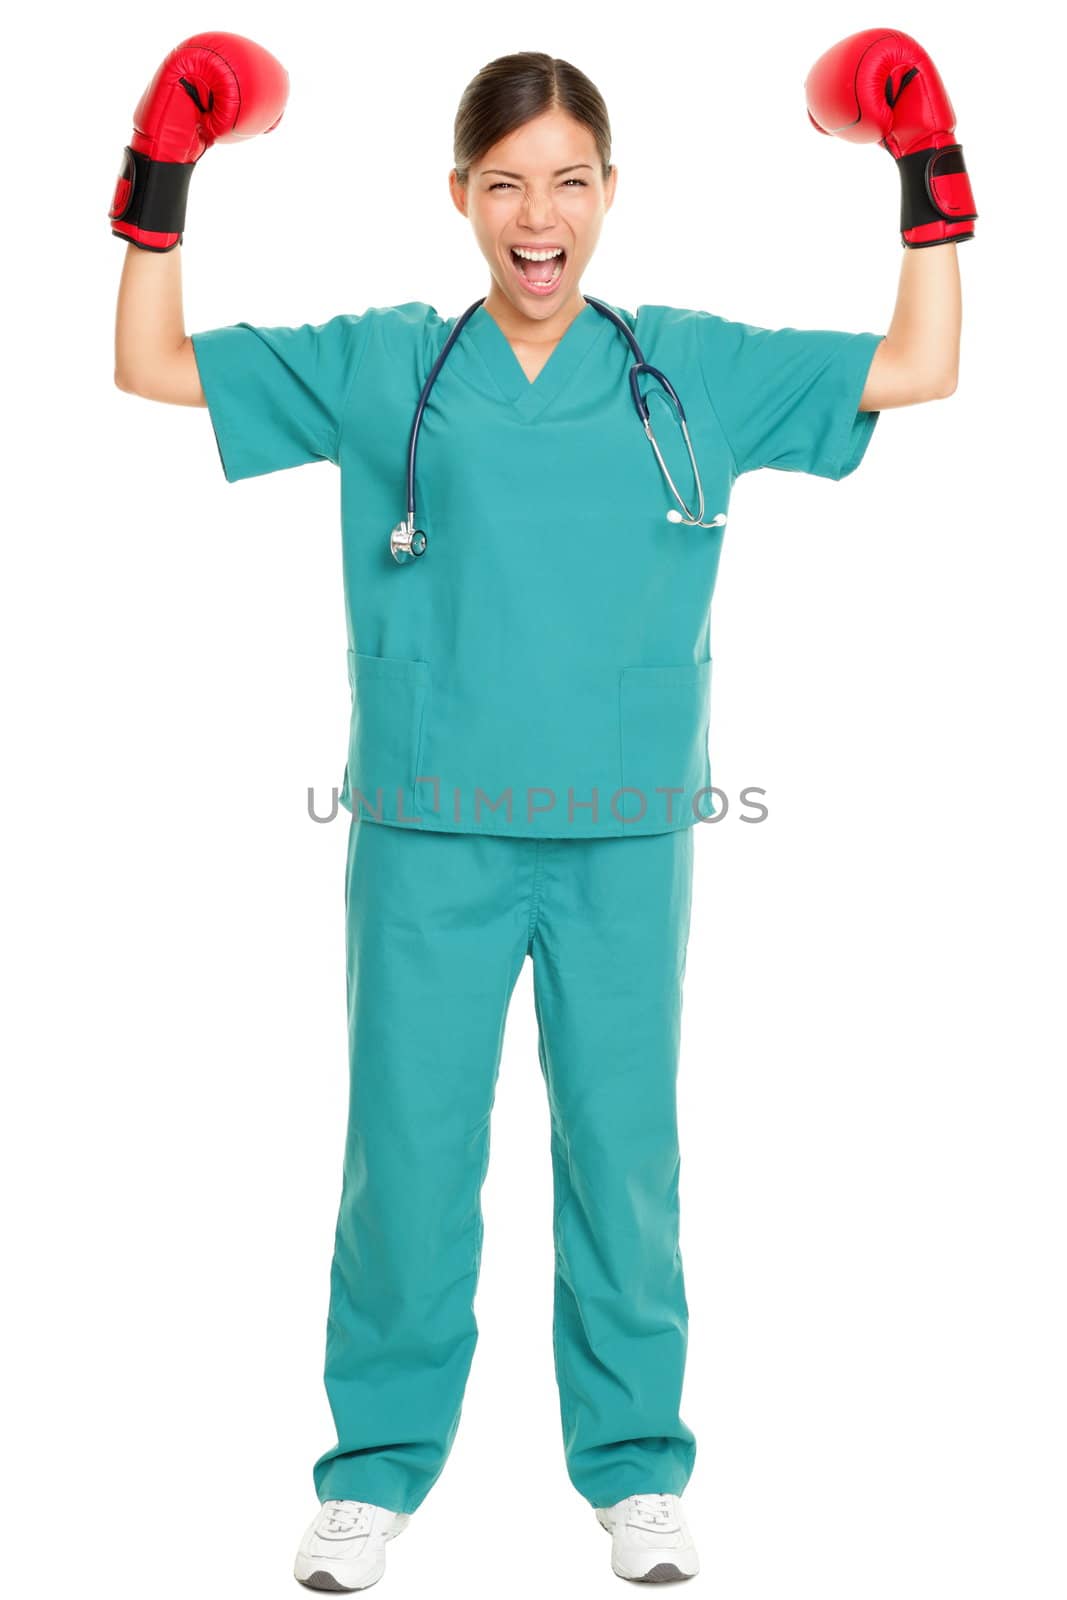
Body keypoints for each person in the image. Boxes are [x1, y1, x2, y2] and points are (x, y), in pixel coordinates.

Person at [111, 28, 971, 1590]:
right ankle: (372, 1475)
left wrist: (927, 178)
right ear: (461, 196)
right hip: (426, 833)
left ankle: (638, 1472)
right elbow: (153, 368)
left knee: (626, 1160)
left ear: (611, 195)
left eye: (570, 181)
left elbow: (920, 368)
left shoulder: (688, 366)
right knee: (408, 1163)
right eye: (507, 183)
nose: (539, 214)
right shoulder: (386, 361)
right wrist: (162, 182)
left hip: (626, 835)